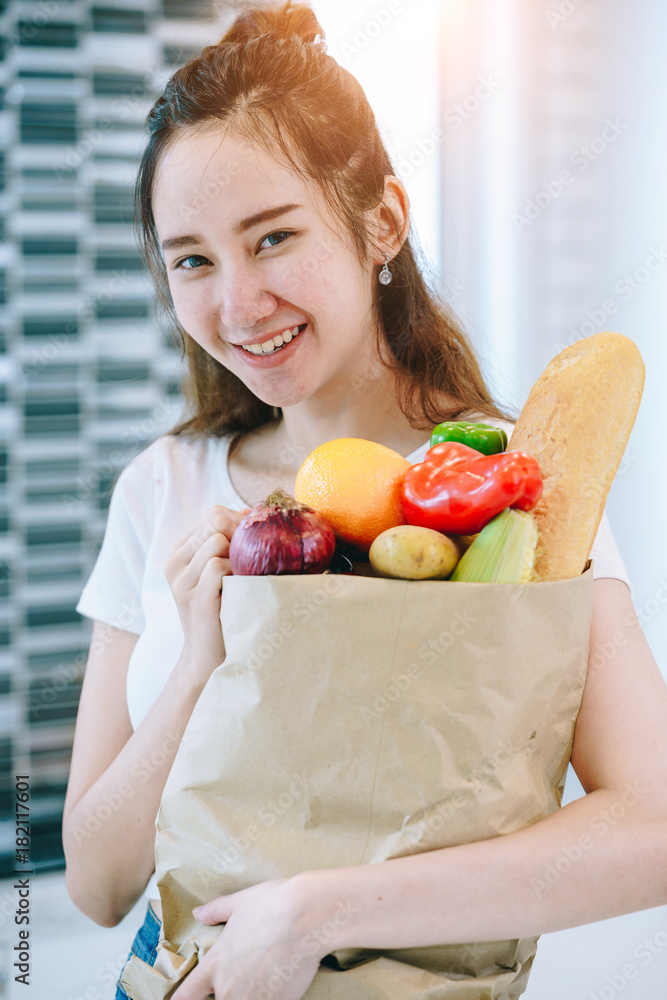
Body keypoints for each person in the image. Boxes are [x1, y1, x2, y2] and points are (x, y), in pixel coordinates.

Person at [62, 3, 667, 999]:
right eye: (194, 260)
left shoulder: (513, 494)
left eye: (272, 238)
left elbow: (652, 824)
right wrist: (197, 665)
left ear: (382, 220)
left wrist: (311, 915)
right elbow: (94, 882)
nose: (237, 304)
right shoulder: (162, 486)